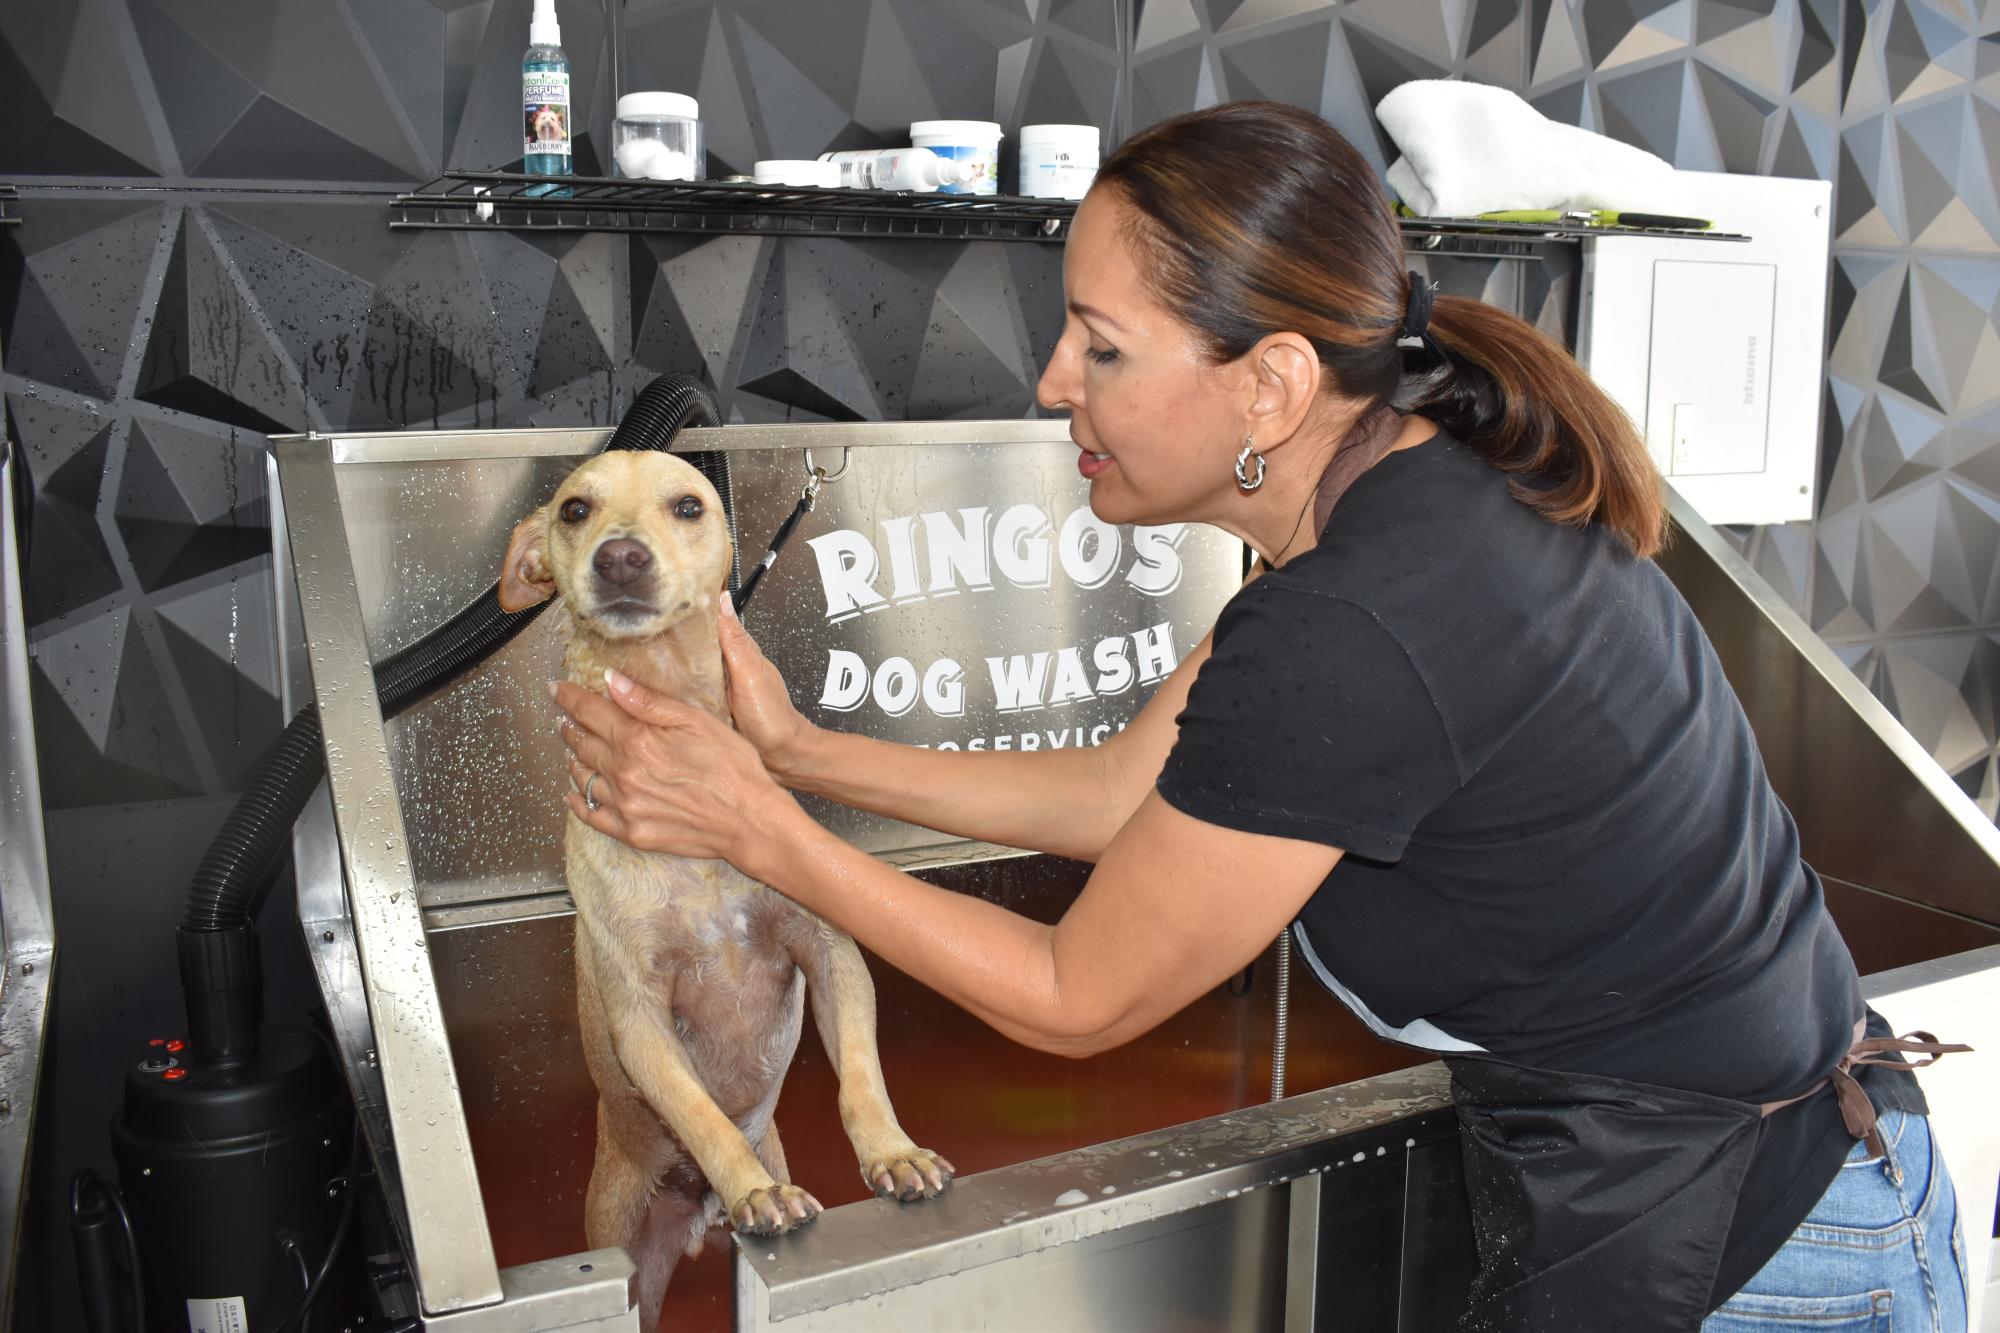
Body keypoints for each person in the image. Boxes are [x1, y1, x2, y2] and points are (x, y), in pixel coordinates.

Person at [552, 101, 1969, 1331]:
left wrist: (761, 825)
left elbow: (1076, 993)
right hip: (1810, 1169)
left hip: (1760, 1241)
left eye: (1101, 347)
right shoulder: (1406, 485)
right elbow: (1126, 792)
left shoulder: (1352, 626)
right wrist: (797, 753)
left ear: (1274, 383)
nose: (1054, 381)